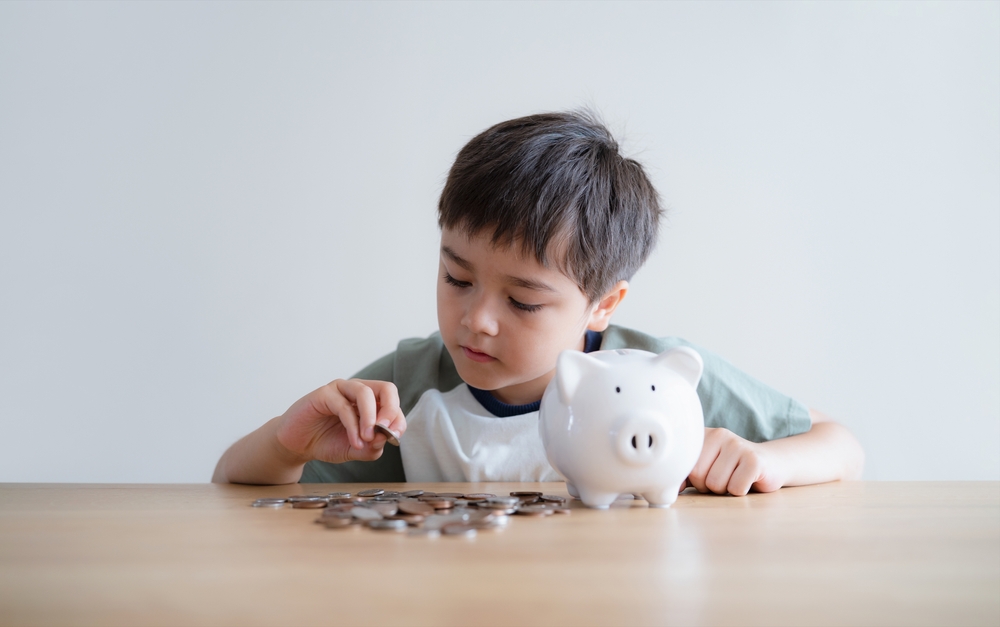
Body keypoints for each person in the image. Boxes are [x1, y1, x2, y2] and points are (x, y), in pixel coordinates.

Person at [213, 111, 864, 495]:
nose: (477, 319)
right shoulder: (410, 383)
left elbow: (841, 445)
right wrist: (285, 444)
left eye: (523, 300)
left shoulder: (663, 378)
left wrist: (767, 460)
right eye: (456, 278)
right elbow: (232, 485)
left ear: (603, 303)